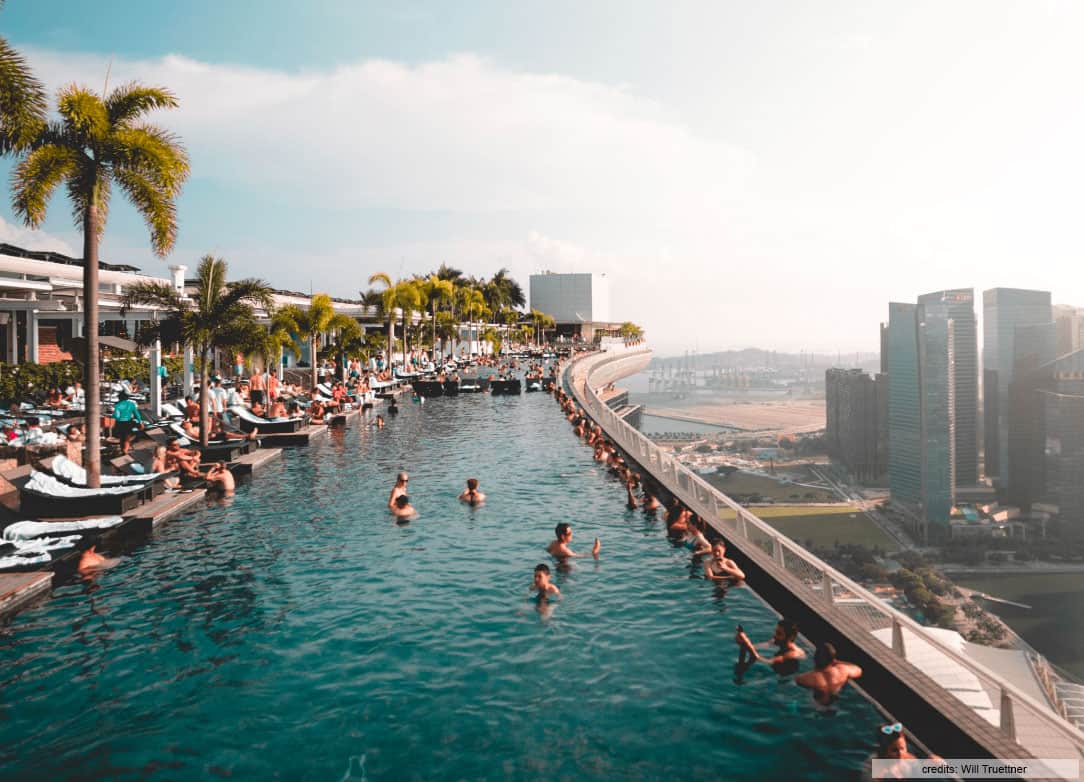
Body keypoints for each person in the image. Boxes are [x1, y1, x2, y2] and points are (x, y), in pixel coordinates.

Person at [795, 642, 863, 710]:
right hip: (835, 706)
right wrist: (837, 661)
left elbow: (796, 682)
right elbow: (858, 669)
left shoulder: (807, 677)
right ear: (833, 660)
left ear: (815, 659)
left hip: (815, 706)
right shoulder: (842, 670)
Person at [735, 618, 806, 675]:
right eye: (776, 632)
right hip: (777, 666)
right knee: (741, 667)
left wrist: (747, 643)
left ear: (790, 637)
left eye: (779, 633)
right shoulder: (778, 641)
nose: (775, 636)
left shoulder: (793, 654)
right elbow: (755, 647)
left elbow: (767, 662)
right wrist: (743, 642)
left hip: (786, 673)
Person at [112, 390, 144, 455]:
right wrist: (140, 422)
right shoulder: (131, 404)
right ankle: (125, 450)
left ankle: (122, 450)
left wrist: (113, 417)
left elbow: (116, 416)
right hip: (128, 422)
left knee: (121, 437)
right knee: (127, 437)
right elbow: (136, 414)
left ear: (119, 398)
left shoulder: (117, 405)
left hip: (119, 423)